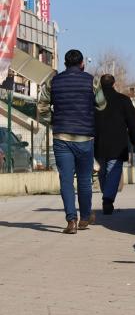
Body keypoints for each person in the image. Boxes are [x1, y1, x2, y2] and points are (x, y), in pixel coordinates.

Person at [37, 49, 106, 234]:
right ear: (82, 64)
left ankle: (71, 221)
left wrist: (53, 121)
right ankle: (85, 217)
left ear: (65, 64)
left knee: (66, 180)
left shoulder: (53, 81)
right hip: (85, 137)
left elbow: (42, 106)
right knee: (84, 179)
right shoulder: (92, 81)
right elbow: (102, 105)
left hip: (61, 138)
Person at [94, 74, 135, 214]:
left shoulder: (94, 100)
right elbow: (133, 121)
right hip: (117, 144)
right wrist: (134, 139)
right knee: (113, 172)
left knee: (102, 172)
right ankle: (108, 199)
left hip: (98, 143)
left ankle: (107, 196)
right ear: (113, 84)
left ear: (101, 85)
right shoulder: (123, 100)